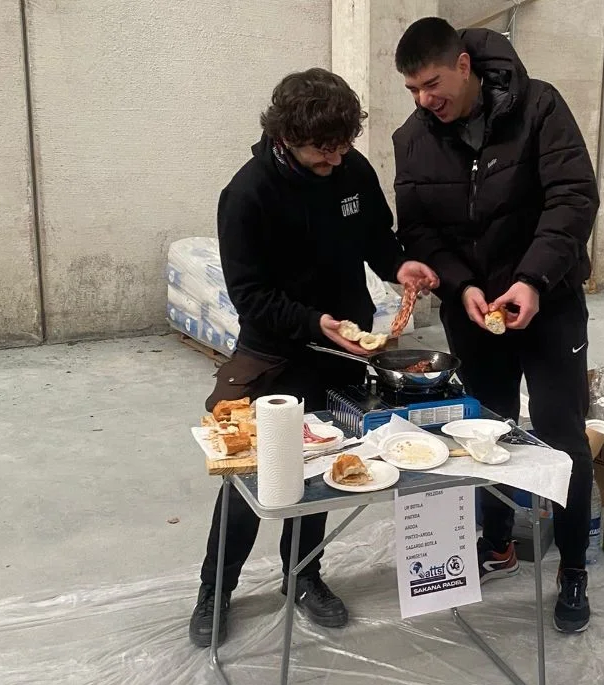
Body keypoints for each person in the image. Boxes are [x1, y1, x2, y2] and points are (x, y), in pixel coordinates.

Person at [189, 68, 438, 648]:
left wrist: (398, 265)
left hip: (343, 352)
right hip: (275, 355)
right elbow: (249, 295)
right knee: (255, 477)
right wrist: (312, 322)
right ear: (286, 137)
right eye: (322, 151)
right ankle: (214, 590)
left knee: (325, 469)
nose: (335, 159)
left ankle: (303, 577)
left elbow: (377, 239)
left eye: (343, 145)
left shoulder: (352, 170)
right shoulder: (247, 194)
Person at [392, 18, 600, 633]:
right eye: (412, 90)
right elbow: (419, 230)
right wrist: (463, 287)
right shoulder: (412, 140)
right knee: (485, 430)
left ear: (464, 65)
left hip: (549, 300)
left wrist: (533, 280)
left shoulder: (540, 107)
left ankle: (573, 568)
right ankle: (498, 541)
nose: (424, 100)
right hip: (474, 308)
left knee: (561, 433)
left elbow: (573, 197)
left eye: (432, 84)